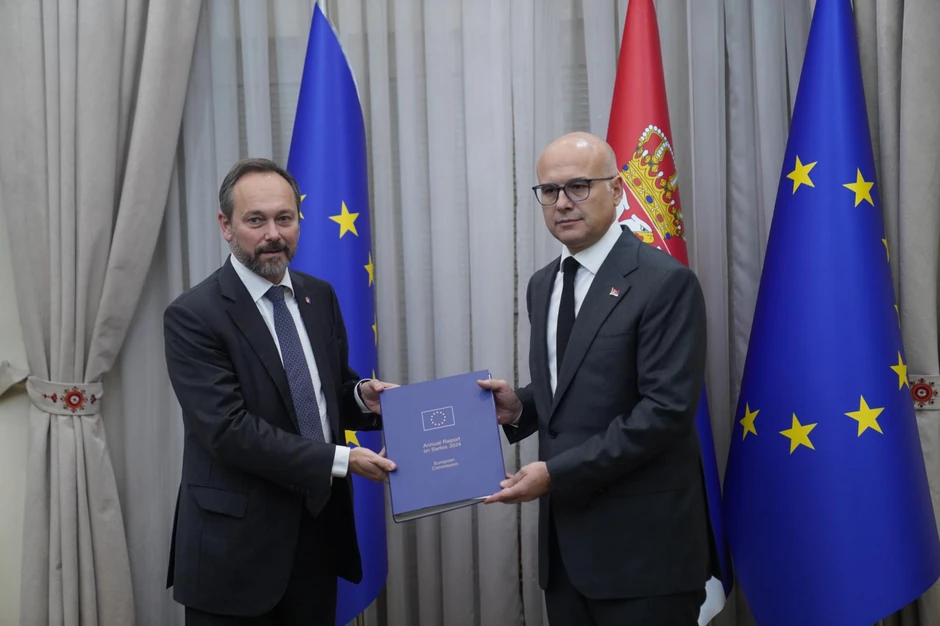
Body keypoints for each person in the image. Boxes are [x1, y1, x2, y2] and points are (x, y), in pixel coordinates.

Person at [479, 132, 713, 625]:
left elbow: (664, 412)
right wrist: (521, 408)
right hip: (566, 555)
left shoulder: (665, 282)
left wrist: (555, 474)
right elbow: (575, 386)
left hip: (646, 557)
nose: (563, 203)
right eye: (550, 191)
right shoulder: (542, 283)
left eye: (579, 186)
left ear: (618, 189)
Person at [163, 158, 397, 625]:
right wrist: (342, 459)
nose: (274, 234)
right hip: (235, 554)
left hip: (317, 537)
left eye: (284, 218)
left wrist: (361, 397)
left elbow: (324, 391)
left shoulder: (319, 295)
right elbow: (228, 430)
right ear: (226, 226)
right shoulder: (193, 316)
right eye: (256, 220)